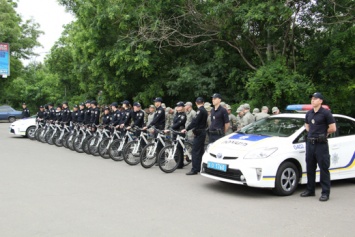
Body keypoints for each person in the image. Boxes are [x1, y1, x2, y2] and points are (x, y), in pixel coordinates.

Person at [300, 92, 336, 202]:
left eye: (315, 99)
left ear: (321, 101)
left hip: (321, 144)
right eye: (312, 98)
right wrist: (312, 133)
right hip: (310, 144)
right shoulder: (309, 113)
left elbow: (333, 128)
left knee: (323, 168)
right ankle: (310, 190)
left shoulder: (326, 113)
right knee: (310, 167)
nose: (312, 100)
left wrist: (324, 133)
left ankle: (325, 193)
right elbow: (307, 125)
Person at [182, 97, 208, 175]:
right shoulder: (205, 111)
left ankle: (194, 169)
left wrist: (187, 129)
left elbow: (195, 121)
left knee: (195, 151)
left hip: (199, 133)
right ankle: (200, 167)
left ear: (196, 103)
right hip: (201, 132)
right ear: (203, 102)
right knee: (200, 151)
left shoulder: (200, 111)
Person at [165, 101, 186, 169]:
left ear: (182, 107)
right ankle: (177, 161)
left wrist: (171, 128)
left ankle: (180, 164)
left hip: (180, 132)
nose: (177, 107)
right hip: (175, 132)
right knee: (175, 147)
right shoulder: (176, 114)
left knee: (179, 148)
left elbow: (179, 123)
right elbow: (174, 123)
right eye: (177, 106)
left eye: (179, 106)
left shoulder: (183, 115)